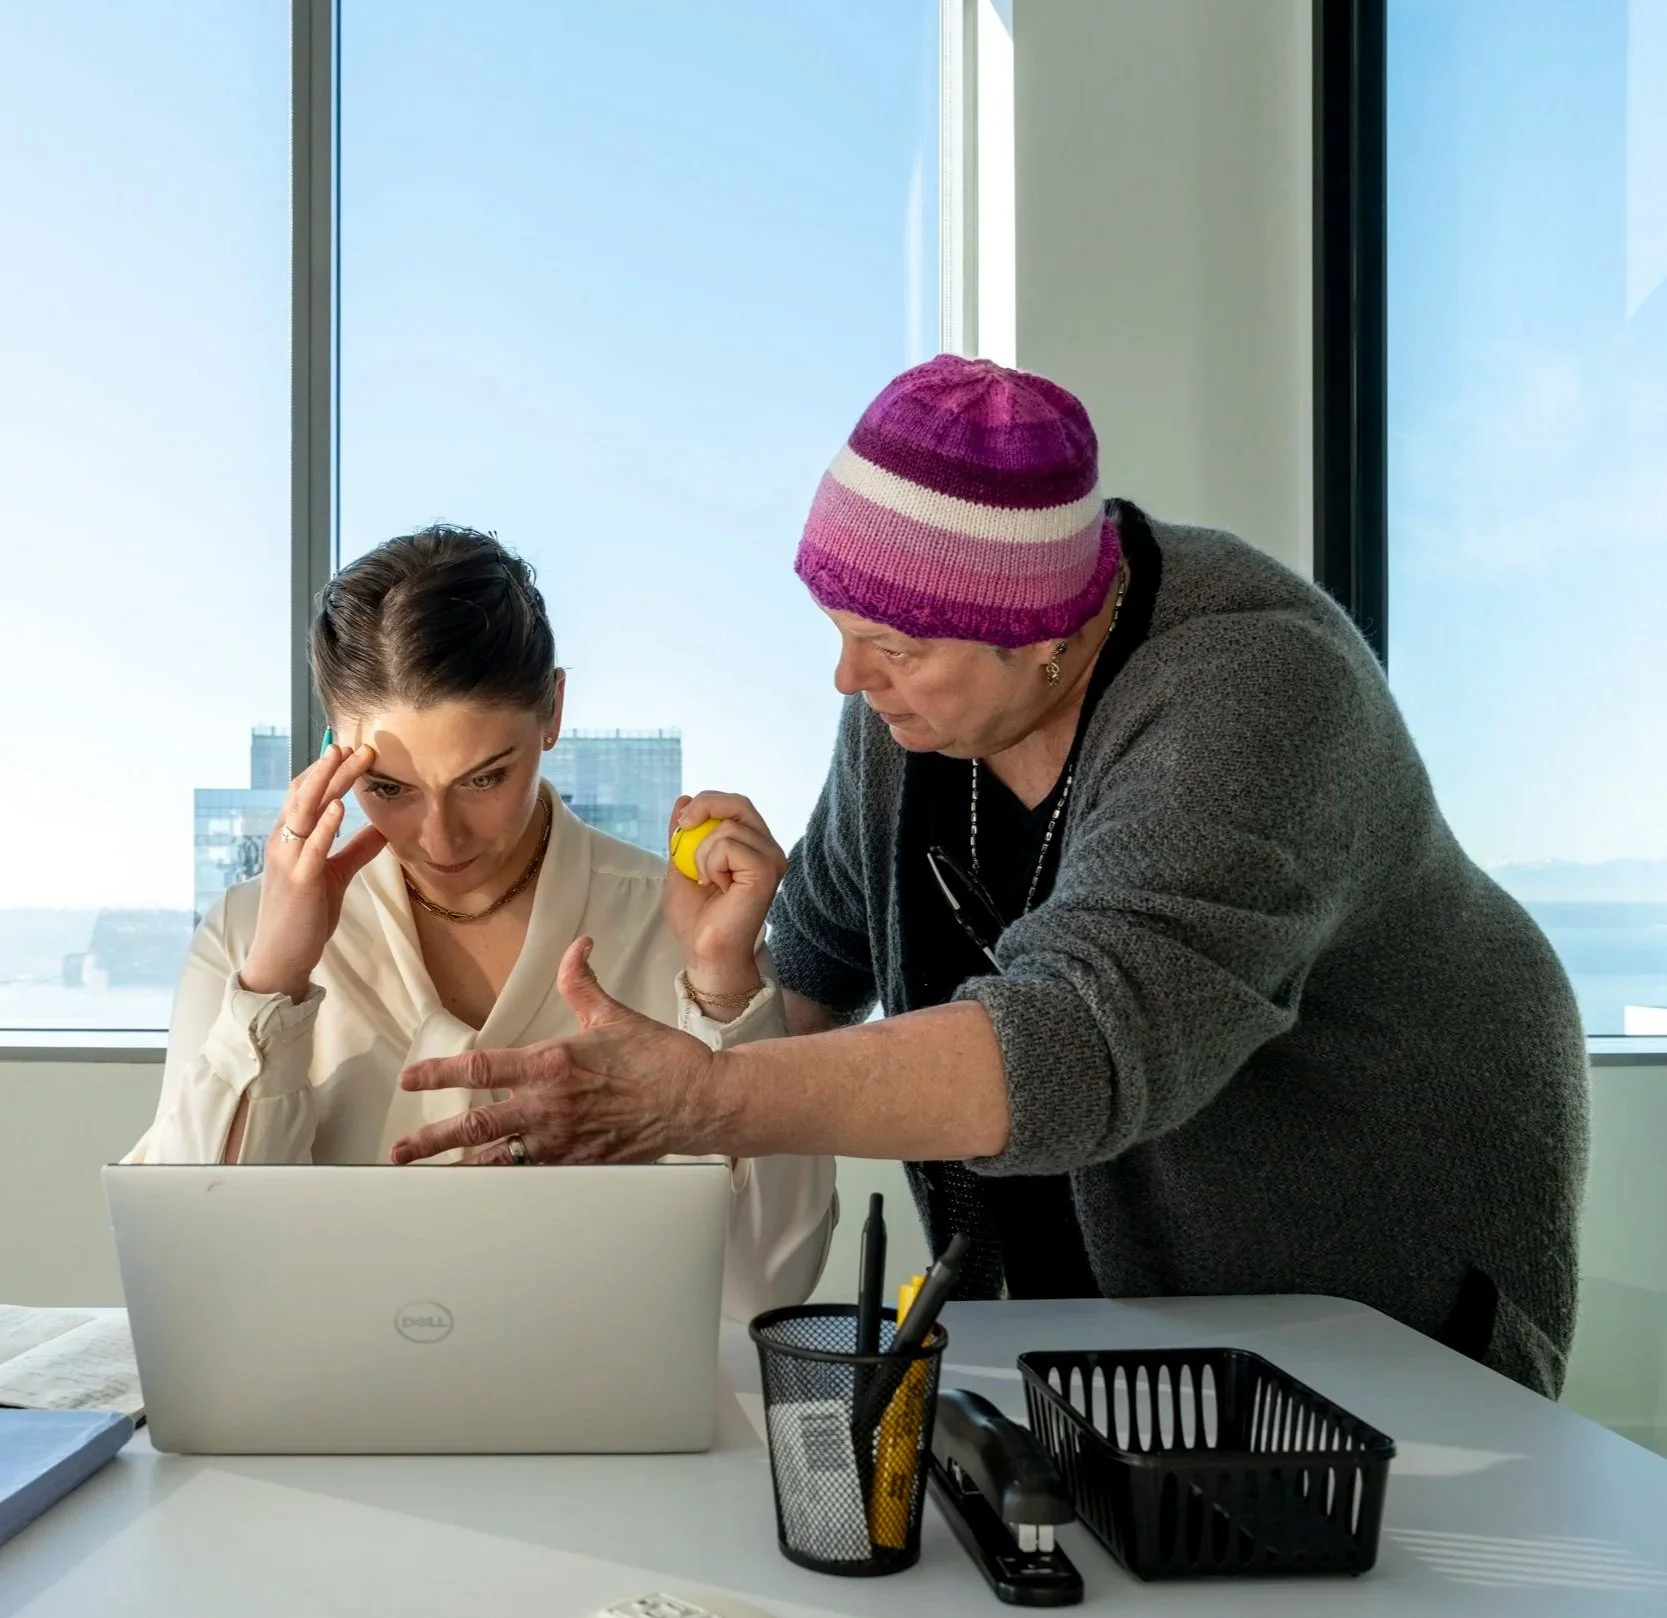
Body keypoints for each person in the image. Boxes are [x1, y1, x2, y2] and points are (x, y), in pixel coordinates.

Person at [389, 357, 1590, 1397]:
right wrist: (706, 992)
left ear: (1050, 637)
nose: (848, 679)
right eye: (839, 630)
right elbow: (812, 970)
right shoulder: (911, 713)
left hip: (1370, 1278)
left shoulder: (1257, 694)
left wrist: (697, 1097)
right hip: (1087, 1324)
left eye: (891, 646)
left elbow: (1073, 1038)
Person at [125, 524, 837, 1322]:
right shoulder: (250, 931)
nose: (440, 838)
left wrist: (720, 989)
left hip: (604, 1426)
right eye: (388, 788)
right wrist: (273, 983)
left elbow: (762, 1290)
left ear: (553, 711)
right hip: (327, 1424)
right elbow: (194, 1273)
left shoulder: (679, 925)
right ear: (332, 744)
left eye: (484, 777)